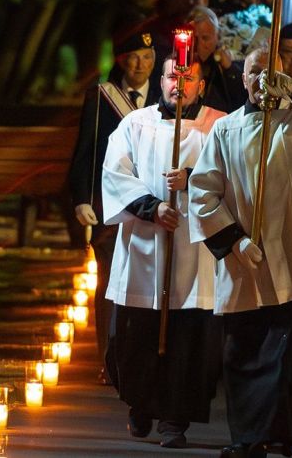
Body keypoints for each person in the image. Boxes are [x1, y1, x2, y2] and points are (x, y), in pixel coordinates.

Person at [189, 48, 292, 458]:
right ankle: (249, 436)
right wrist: (233, 240)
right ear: (243, 78)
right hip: (250, 259)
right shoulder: (225, 130)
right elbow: (202, 193)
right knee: (249, 353)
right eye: (254, 72)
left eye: (271, 73)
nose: (261, 79)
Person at [101, 53, 225, 448]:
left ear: (201, 86)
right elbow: (115, 175)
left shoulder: (220, 127)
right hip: (143, 249)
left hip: (194, 253)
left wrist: (193, 179)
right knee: (133, 337)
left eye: (188, 78)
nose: (179, 84)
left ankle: (175, 418)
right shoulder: (135, 125)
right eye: (173, 76)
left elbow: (235, 178)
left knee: (188, 339)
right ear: (161, 81)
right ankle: (140, 402)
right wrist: (152, 208)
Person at [68, 32, 160, 384]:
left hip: (153, 205)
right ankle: (108, 360)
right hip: (109, 204)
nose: (141, 65)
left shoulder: (167, 95)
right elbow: (84, 152)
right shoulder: (101, 97)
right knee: (108, 282)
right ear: (120, 60)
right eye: (134, 57)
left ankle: (145, 359)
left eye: (148, 57)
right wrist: (80, 198)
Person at [190, 6, 249, 113]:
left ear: (217, 37)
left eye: (205, 38)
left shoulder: (228, 68)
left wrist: (229, 69)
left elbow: (241, 100)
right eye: (193, 38)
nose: (198, 45)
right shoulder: (173, 65)